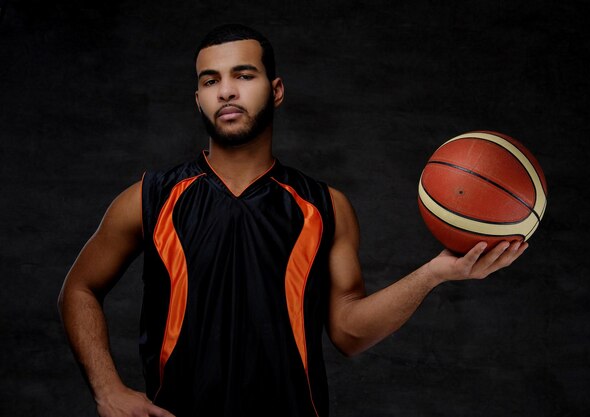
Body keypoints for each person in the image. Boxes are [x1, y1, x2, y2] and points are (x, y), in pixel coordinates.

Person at [57, 23, 528, 417]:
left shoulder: (324, 206)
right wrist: (108, 390)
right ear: (198, 97)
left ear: (276, 90)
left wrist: (434, 274)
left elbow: (348, 332)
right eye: (209, 80)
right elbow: (78, 289)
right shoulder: (151, 197)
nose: (226, 90)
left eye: (244, 74)